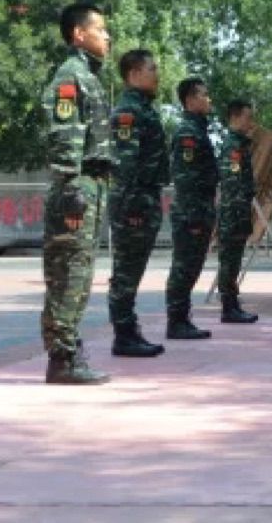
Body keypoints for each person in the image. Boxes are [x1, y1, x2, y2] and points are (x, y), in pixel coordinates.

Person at [41, 3, 113, 384]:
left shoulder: (89, 76)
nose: (107, 36)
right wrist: (71, 187)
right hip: (78, 182)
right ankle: (62, 358)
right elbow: (65, 134)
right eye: (100, 29)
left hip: (91, 182)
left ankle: (67, 352)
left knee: (79, 271)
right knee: (70, 273)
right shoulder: (70, 77)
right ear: (79, 34)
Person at [108, 50, 168, 357]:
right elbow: (124, 163)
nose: (157, 74)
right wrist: (132, 207)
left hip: (144, 198)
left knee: (132, 270)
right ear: (133, 74)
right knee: (126, 272)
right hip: (132, 201)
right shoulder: (128, 113)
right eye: (151, 69)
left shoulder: (144, 108)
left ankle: (129, 332)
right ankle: (124, 335)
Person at [165, 77, 218, 339]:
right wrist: (195, 215)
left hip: (199, 209)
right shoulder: (188, 134)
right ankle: (177, 321)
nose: (208, 100)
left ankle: (182, 319)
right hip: (191, 211)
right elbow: (185, 178)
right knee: (184, 267)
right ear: (190, 100)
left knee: (192, 266)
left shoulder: (198, 130)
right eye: (203, 95)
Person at [217, 99, 259, 323]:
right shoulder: (233, 147)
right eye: (247, 117)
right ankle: (228, 307)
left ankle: (232, 305)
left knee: (234, 261)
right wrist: (238, 210)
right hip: (233, 213)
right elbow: (232, 181)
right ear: (234, 117)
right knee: (229, 261)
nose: (251, 122)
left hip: (238, 211)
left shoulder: (240, 145)